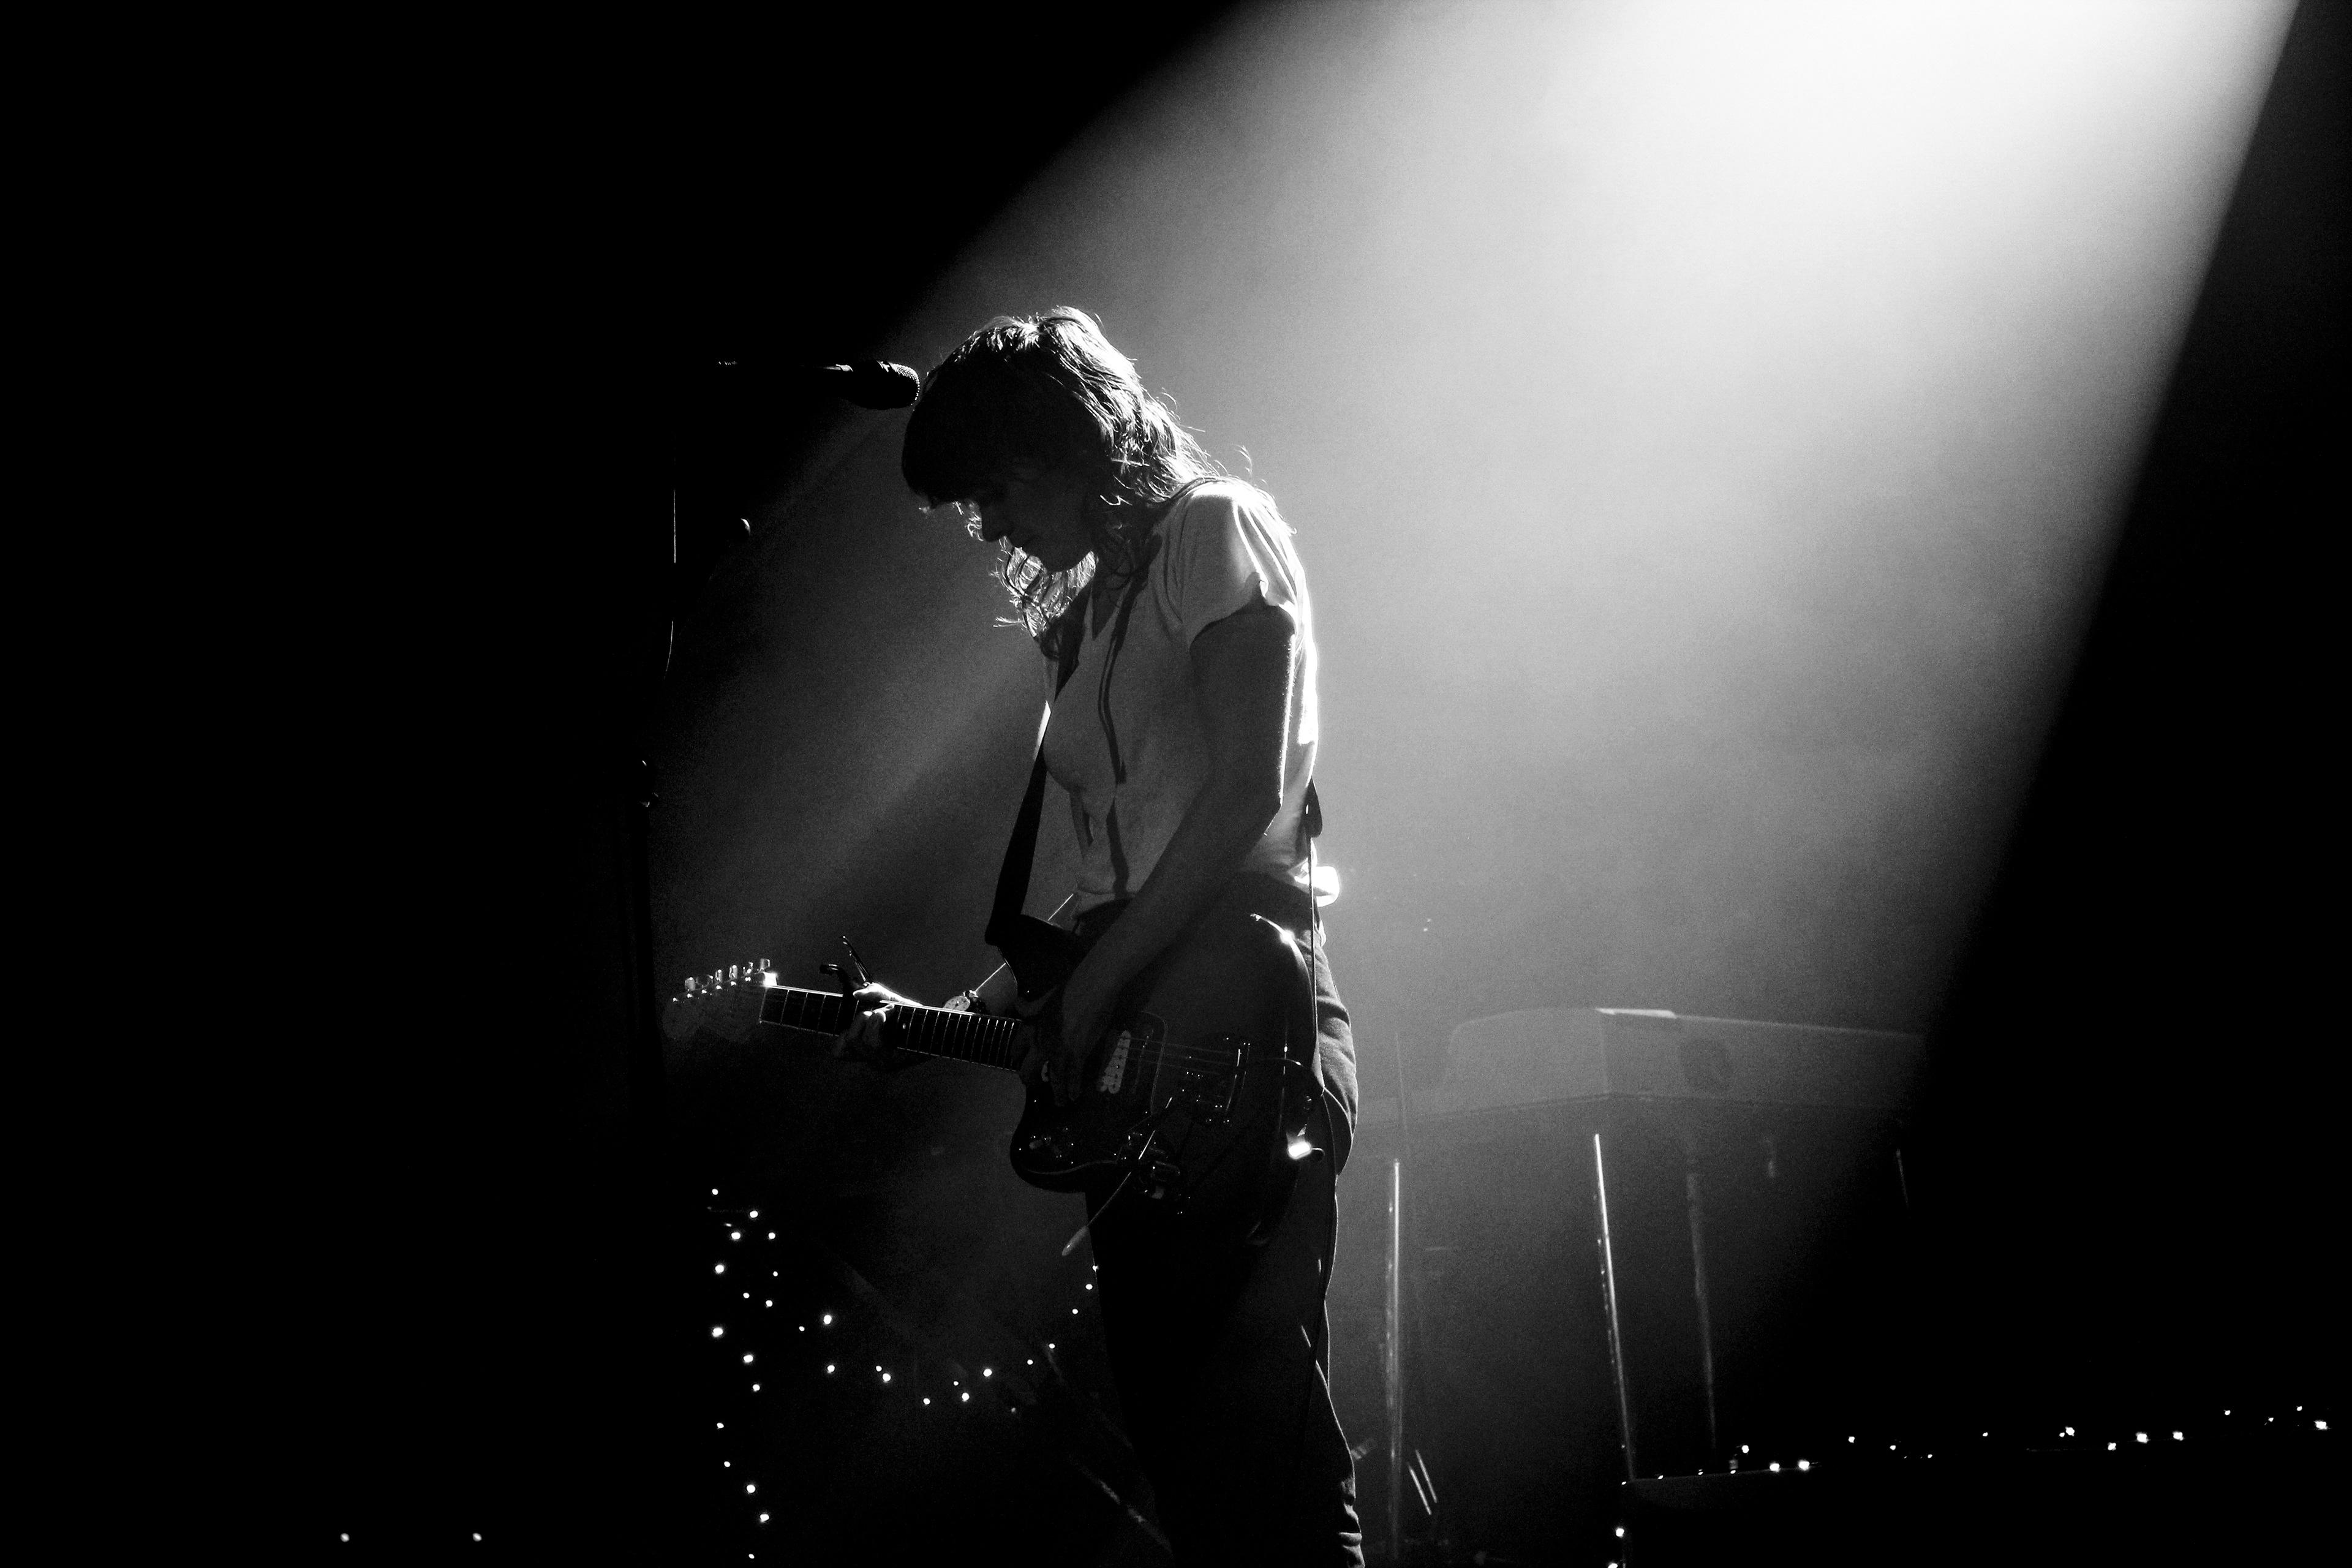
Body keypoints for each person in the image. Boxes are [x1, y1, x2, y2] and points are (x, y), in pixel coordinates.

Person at [834, 307, 1362, 1565]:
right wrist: (945, 1016)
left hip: (1248, 999)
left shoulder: (1212, 527)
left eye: (997, 488)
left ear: (1069, 440)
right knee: (1193, 1454)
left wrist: (1099, 984)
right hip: (1149, 1019)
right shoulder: (1087, 621)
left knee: (1263, 1441)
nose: (993, 527)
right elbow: (1094, 903)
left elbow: (1242, 795)